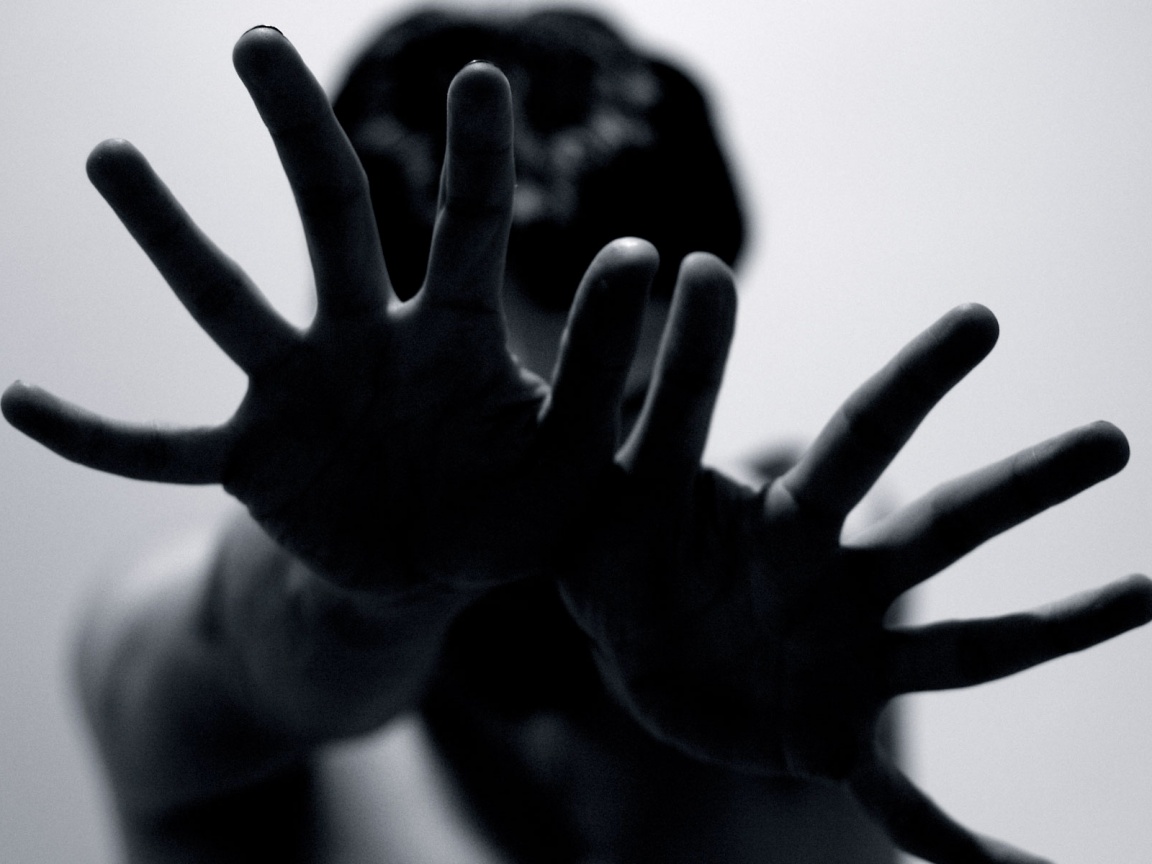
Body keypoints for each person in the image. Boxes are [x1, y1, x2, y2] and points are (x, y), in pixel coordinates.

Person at [4, 18, 1150, 864]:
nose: (549, 496)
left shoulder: (777, 630)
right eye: (501, 433)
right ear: (357, 347)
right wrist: (358, 594)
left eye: (623, 404)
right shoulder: (191, 647)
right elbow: (227, 660)